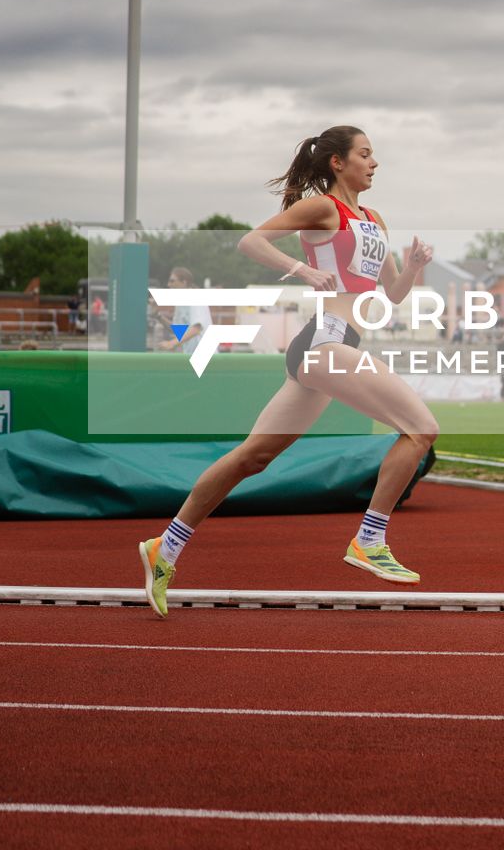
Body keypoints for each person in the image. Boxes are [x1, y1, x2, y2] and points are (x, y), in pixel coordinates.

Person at [139, 126, 436, 617]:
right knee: (421, 429)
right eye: (365, 154)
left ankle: (163, 547)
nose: (374, 163)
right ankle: (370, 539)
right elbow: (250, 242)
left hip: (333, 346)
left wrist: (414, 266)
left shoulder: (374, 220)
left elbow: (394, 293)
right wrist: (302, 271)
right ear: (338, 163)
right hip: (325, 342)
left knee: (252, 457)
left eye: (374, 155)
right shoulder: (323, 208)